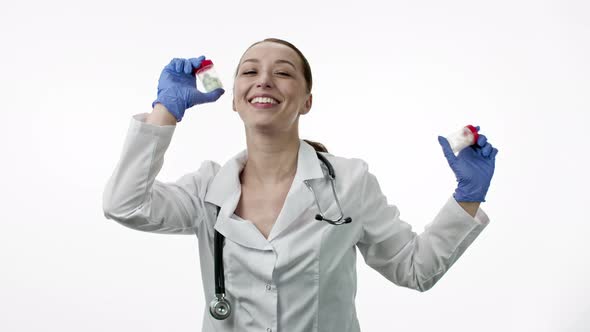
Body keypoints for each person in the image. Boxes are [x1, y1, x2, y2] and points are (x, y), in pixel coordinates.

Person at [102, 38, 498, 332]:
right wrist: (165, 111)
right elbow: (125, 205)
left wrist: (468, 196)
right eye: (250, 71)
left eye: (284, 72)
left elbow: (414, 269)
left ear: (307, 101)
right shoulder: (207, 188)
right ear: (235, 99)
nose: (264, 81)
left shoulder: (350, 182)